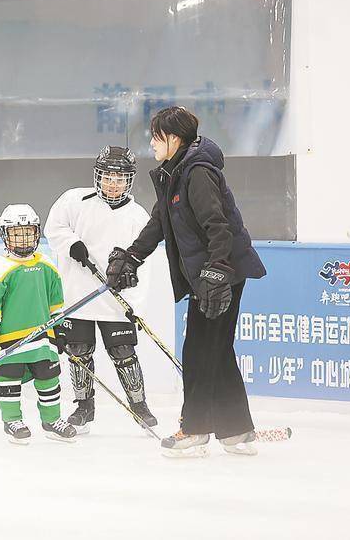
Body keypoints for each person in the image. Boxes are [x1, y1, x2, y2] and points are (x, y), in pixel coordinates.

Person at [106, 106, 266, 457]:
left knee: (197, 351)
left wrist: (217, 271)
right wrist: (132, 256)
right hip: (213, 273)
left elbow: (218, 225)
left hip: (220, 274)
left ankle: (193, 430)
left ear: (173, 139)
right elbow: (159, 223)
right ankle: (236, 430)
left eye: (156, 137)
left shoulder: (197, 174)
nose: (151, 143)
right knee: (217, 349)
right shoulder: (173, 174)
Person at [44, 146, 158, 433]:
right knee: (79, 351)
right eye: (108, 177)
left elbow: (143, 261)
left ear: (129, 181)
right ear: (98, 175)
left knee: (123, 351)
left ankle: (139, 405)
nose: (113, 183)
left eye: (120, 179)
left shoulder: (138, 216)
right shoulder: (74, 200)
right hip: (77, 294)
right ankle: (84, 407)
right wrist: (72, 244)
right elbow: (54, 228)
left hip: (115, 300)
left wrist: (134, 302)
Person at [0, 204, 75, 444]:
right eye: (16, 233)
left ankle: (52, 420)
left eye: (28, 232)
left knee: (49, 379)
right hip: (9, 340)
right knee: (9, 378)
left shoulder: (47, 265)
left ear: (37, 233)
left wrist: (60, 328)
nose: (23, 238)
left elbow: (56, 303)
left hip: (41, 338)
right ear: (5, 235)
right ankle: (12, 420)